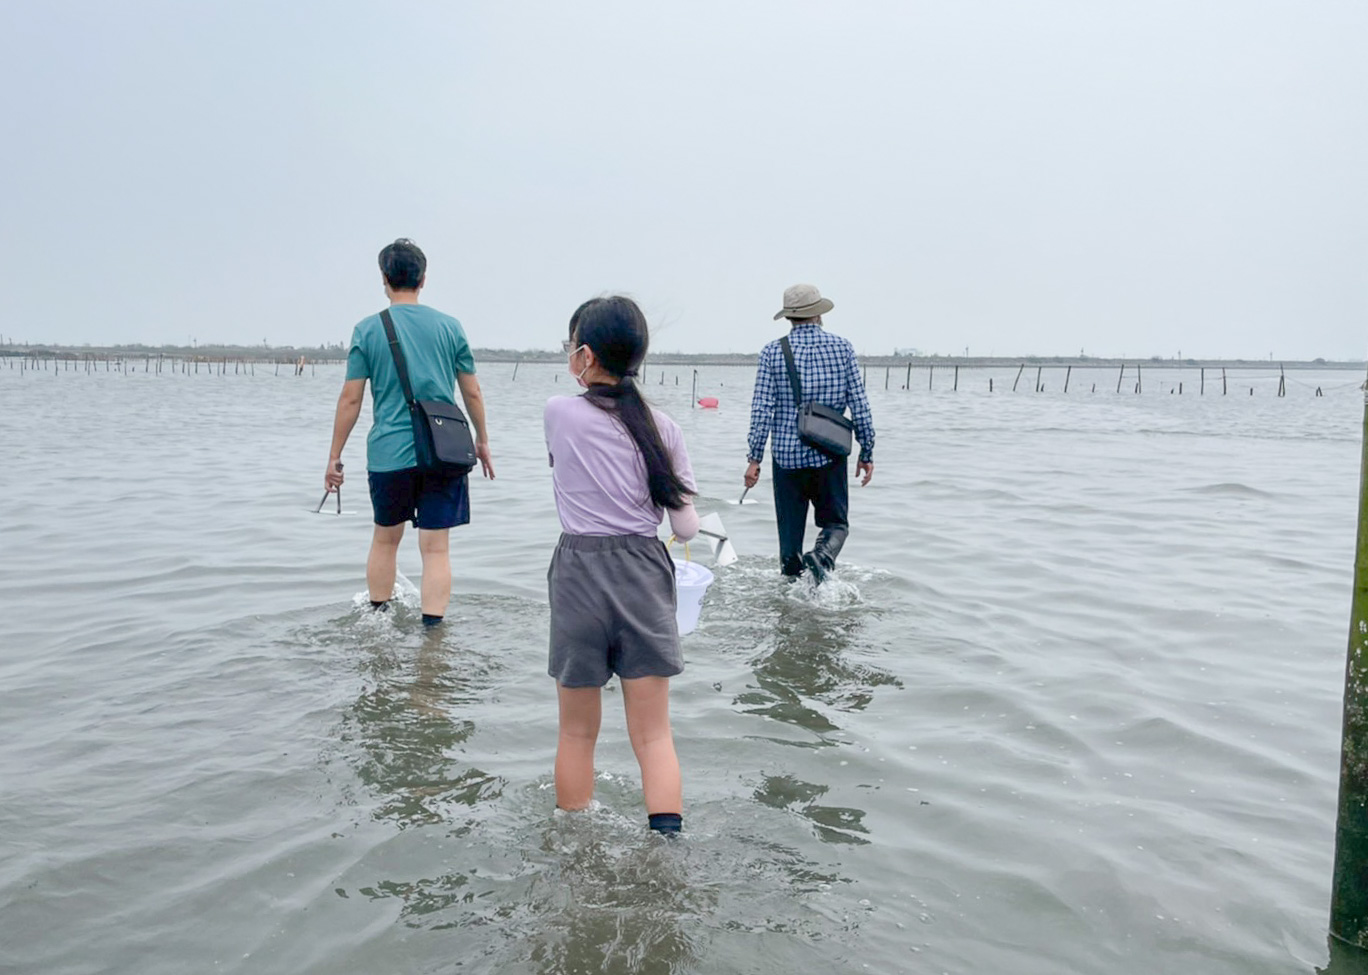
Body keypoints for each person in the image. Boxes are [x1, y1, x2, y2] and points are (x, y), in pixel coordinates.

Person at [543, 296, 698, 835]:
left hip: (579, 573)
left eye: (571, 346)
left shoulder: (558, 413)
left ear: (584, 355)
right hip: (642, 573)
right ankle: (667, 846)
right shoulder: (665, 429)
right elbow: (685, 529)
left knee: (576, 734)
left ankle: (574, 847)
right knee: (654, 736)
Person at [324, 239, 495, 626]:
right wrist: (482, 441)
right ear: (423, 279)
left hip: (388, 453)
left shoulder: (367, 330)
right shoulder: (450, 327)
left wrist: (334, 455)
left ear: (384, 279)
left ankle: (378, 620)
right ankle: (432, 636)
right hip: (444, 452)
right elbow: (472, 391)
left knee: (385, 539)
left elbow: (350, 399)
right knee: (436, 549)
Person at [743, 283, 875, 582]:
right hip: (830, 454)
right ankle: (822, 555)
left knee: (789, 543)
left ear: (789, 317)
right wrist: (866, 450)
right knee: (836, 525)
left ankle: (789, 603)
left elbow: (762, 408)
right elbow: (859, 403)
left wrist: (754, 458)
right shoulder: (842, 348)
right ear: (818, 314)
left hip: (787, 459)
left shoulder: (772, 353)